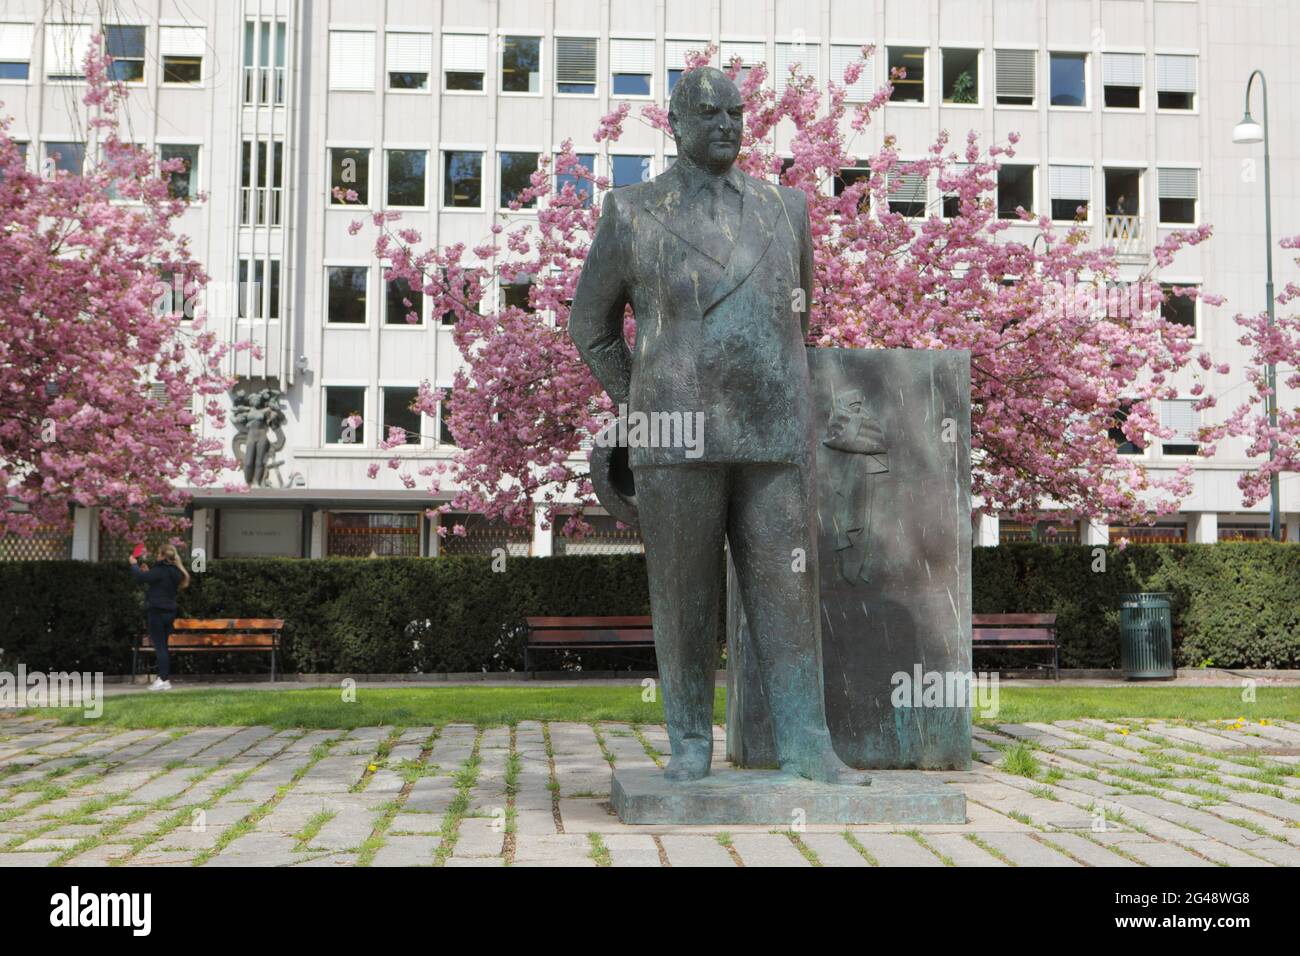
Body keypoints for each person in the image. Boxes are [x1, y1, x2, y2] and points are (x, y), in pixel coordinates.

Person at [568, 67, 868, 786]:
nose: (727, 123)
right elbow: (591, 327)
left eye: (736, 111)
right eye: (709, 112)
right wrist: (644, 402)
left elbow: (797, 315)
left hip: (771, 433)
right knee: (683, 595)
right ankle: (689, 745)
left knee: (787, 592)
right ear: (675, 123)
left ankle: (805, 742)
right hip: (674, 437)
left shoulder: (786, 208)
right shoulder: (632, 211)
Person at [129, 545, 190, 691]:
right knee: (163, 646)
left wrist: (134, 564)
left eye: (158, 554)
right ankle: (163, 678)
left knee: (160, 646)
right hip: (170, 612)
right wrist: (148, 572)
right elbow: (157, 581)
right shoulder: (175, 572)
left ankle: (163, 679)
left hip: (156, 612)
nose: (156, 556)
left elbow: (141, 578)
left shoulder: (160, 569)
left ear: (163, 556)